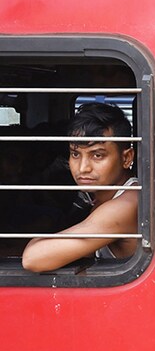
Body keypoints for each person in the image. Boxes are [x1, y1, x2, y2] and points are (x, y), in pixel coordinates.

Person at [22, 103, 137, 272]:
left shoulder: (126, 204)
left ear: (126, 158)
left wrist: (37, 240)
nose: (83, 168)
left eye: (97, 155)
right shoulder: (101, 196)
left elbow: (33, 259)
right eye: (75, 154)